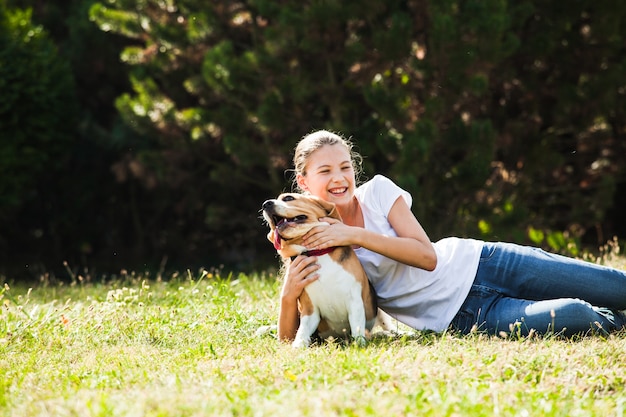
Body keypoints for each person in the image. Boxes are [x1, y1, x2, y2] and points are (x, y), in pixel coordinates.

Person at [277, 129, 626, 341]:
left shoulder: (379, 192)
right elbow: (292, 336)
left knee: (614, 286)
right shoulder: (311, 244)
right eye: (325, 171)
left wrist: (353, 234)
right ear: (304, 182)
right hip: (465, 315)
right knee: (574, 315)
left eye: (344, 167)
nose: (339, 178)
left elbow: (426, 256)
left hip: (486, 262)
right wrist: (287, 293)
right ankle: (617, 322)